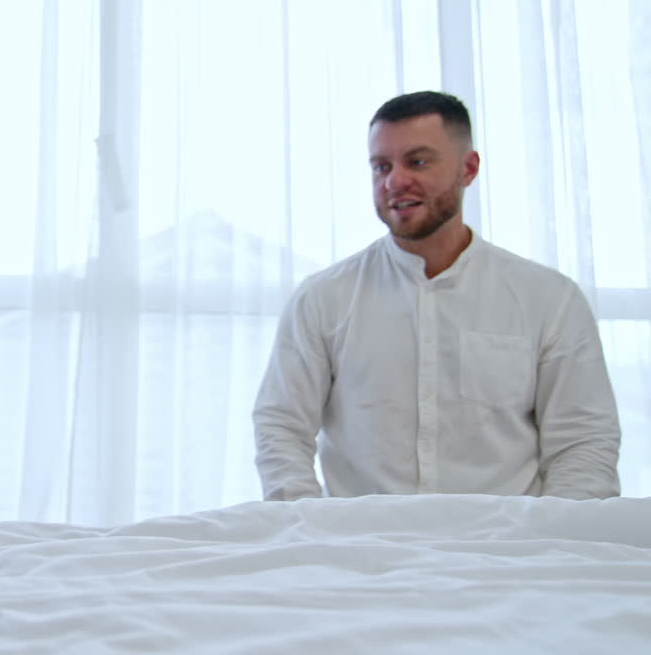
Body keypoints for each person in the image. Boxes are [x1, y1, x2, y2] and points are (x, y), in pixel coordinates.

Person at [251, 91, 621, 501]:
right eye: (381, 166)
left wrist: (555, 534)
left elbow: (583, 440)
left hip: (507, 537)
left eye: (417, 161)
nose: (394, 181)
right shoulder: (323, 300)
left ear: (468, 168)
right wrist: (312, 523)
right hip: (362, 538)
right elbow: (281, 426)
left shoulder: (549, 300)